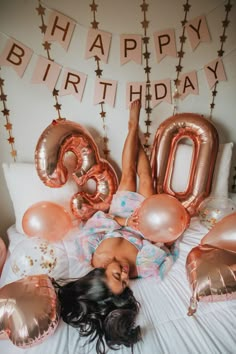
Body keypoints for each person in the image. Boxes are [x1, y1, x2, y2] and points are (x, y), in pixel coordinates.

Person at [54, 99, 178, 354]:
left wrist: (123, 221)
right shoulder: (138, 269)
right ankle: (139, 139)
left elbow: (96, 222)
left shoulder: (91, 252)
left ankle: (132, 126)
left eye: (116, 275)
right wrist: (145, 229)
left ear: (99, 274)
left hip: (122, 210)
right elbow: (160, 248)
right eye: (124, 281)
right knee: (147, 177)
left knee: (129, 171)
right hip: (144, 216)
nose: (123, 271)